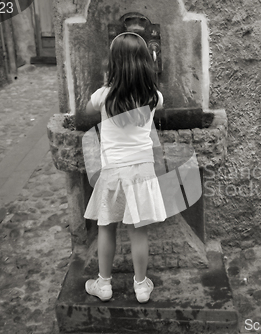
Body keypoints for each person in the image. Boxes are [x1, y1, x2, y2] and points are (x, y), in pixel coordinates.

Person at [75, 32, 167, 303]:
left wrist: (108, 83)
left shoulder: (103, 96)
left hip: (113, 171)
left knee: (107, 227)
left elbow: (86, 110)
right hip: (142, 172)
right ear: (145, 63)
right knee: (139, 231)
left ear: (113, 64)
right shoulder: (154, 96)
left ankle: (103, 284)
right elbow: (158, 104)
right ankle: (141, 285)